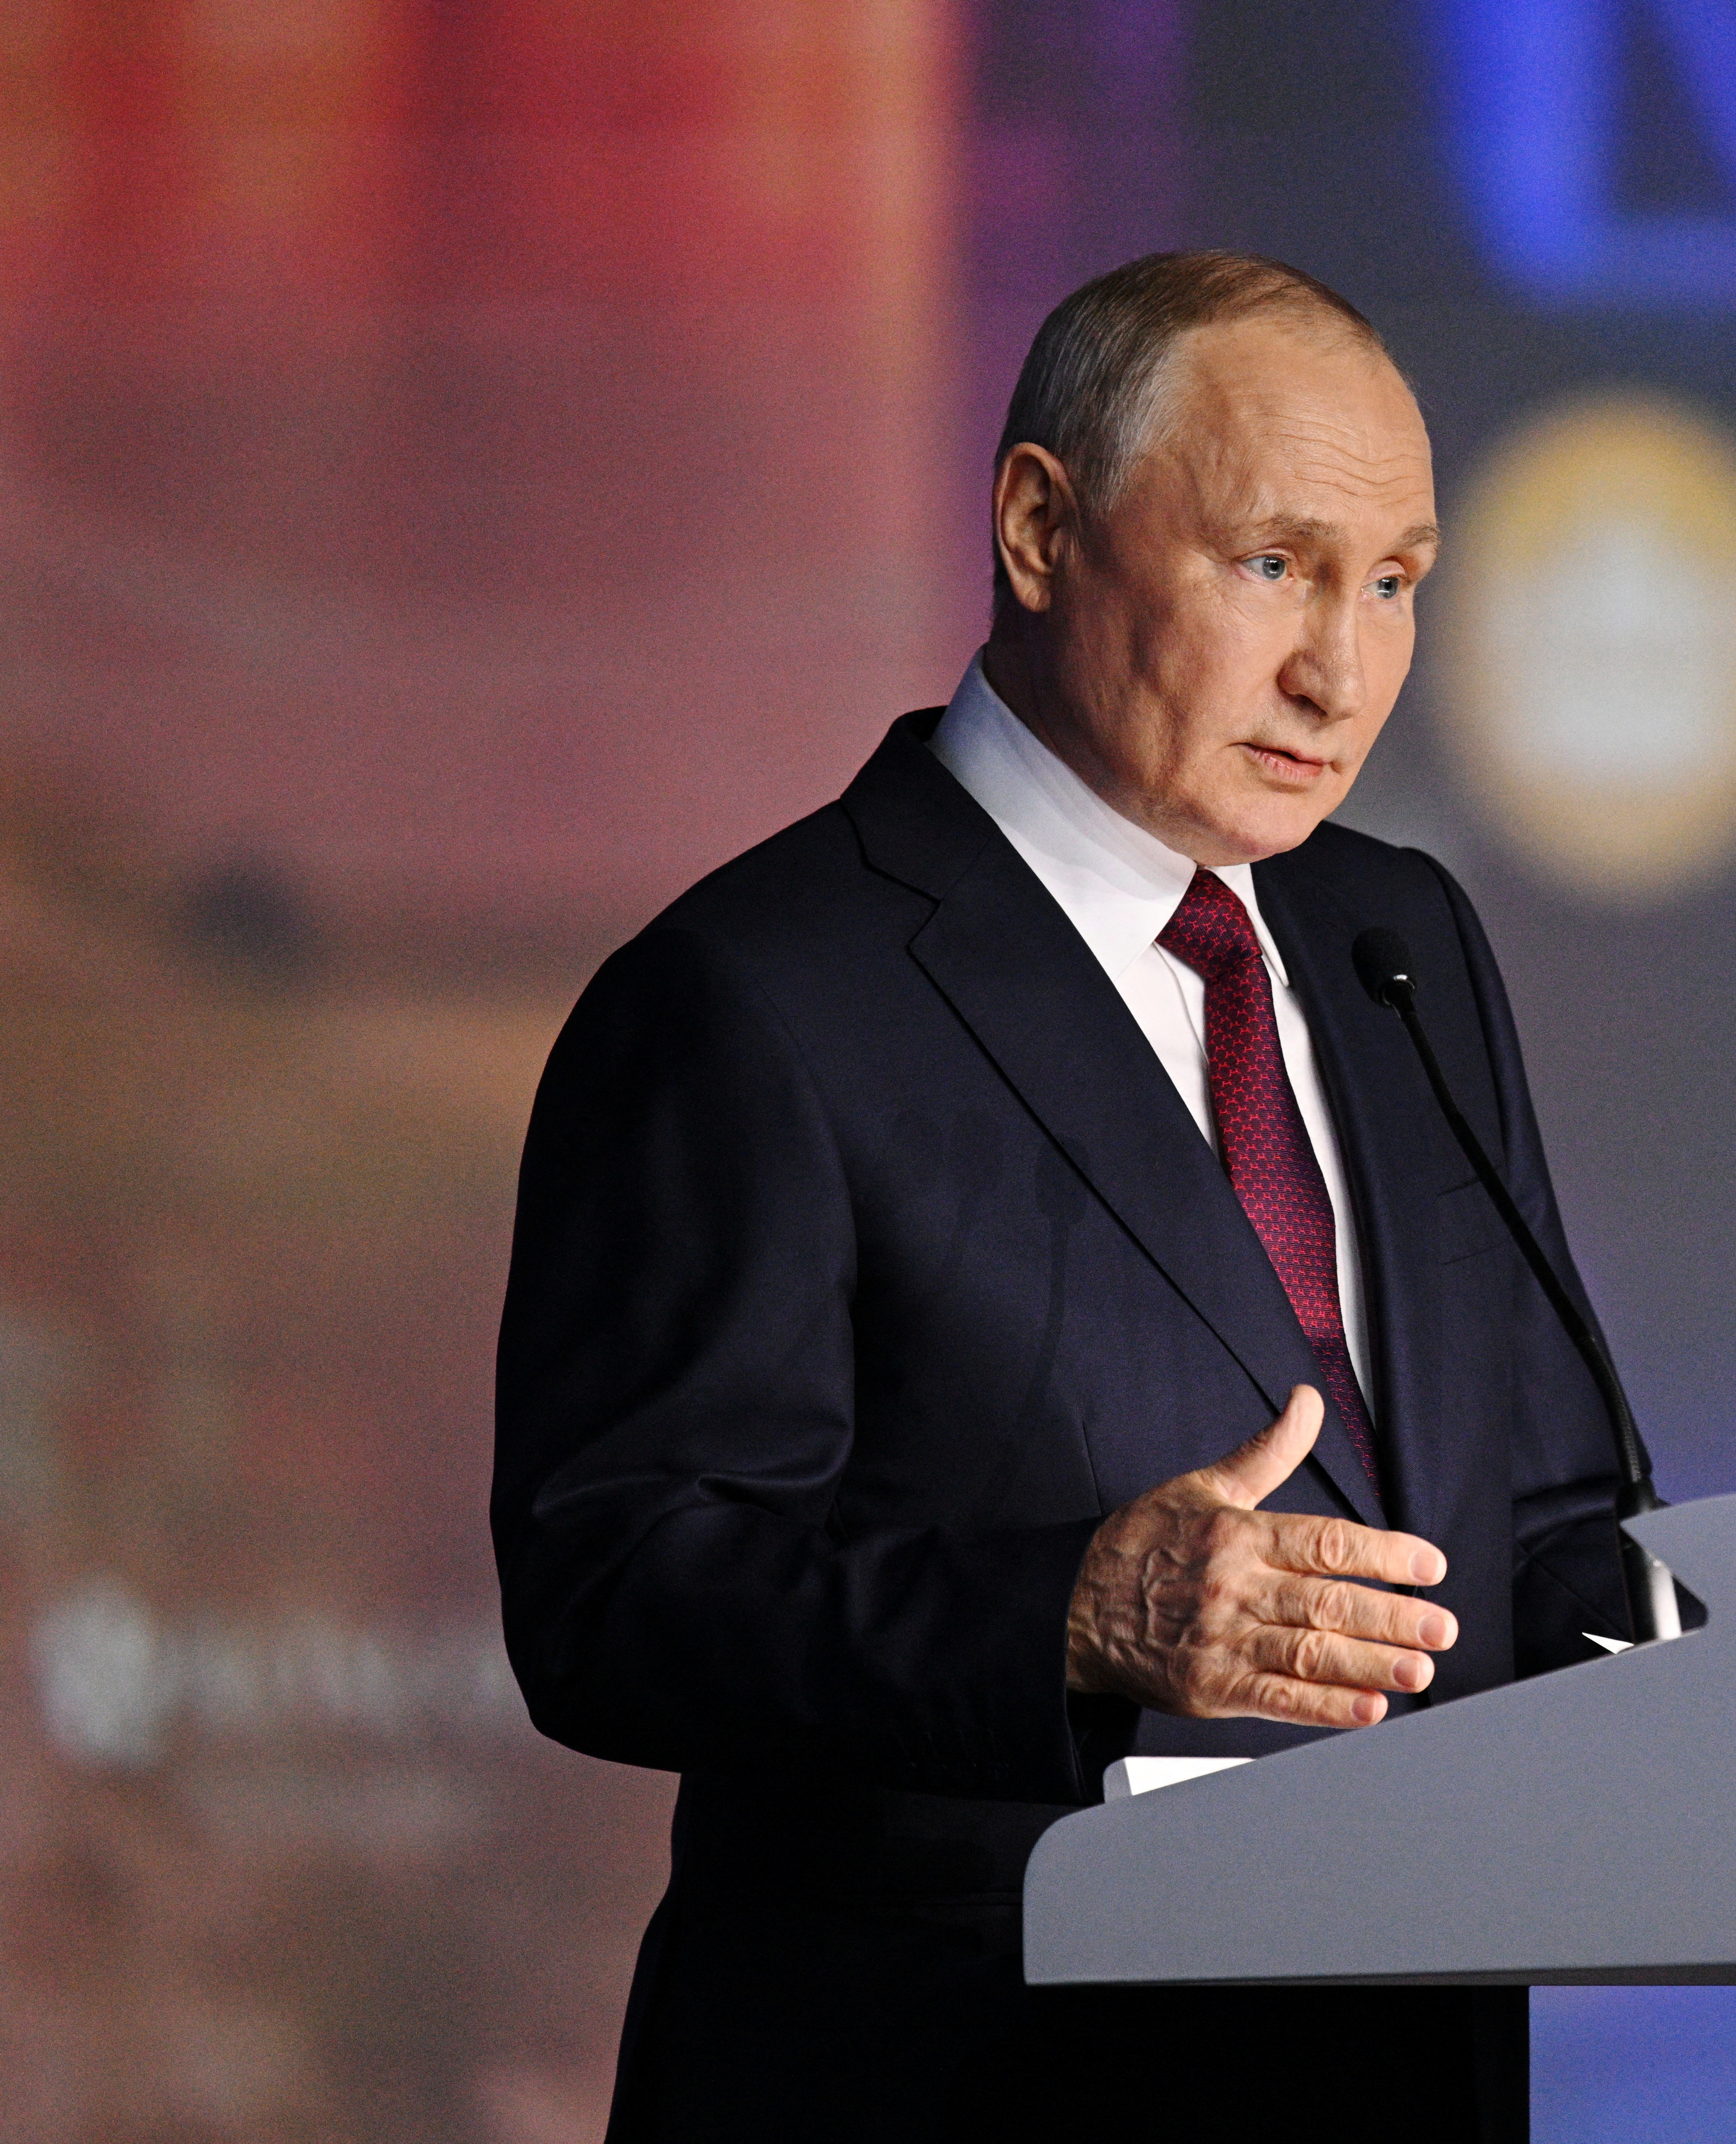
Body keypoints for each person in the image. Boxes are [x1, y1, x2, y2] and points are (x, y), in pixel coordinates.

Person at [493, 252, 1642, 2142]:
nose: (1337, 668)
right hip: (954, 2087)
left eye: (1393, 584)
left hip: (1395, 2077)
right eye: (1272, 565)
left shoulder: (1395, 940)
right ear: (1040, 527)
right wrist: (1071, 1619)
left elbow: (1539, 1505)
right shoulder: (755, 995)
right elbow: (614, 1593)